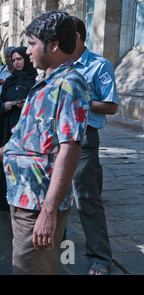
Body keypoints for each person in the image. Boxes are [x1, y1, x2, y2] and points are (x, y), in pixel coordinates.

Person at [0, 10, 92, 274]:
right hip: (23, 198)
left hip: (38, 204)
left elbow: (70, 150)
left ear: (53, 45)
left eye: (32, 44)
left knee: (31, 270)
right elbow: (22, 143)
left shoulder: (69, 85)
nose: (27, 51)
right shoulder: (45, 84)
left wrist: (49, 212)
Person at [71, 16, 118, 276]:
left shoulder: (99, 65)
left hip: (84, 138)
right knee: (54, 198)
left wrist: (78, 100)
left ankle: (100, 258)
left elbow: (111, 106)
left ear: (76, 36)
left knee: (87, 199)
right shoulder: (60, 65)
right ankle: (56, 250)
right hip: (56, 137)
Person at [0, 46, 38, 212]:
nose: (16, 63)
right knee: (9, 162)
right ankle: (6, 202)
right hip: (11, 126)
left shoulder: (36, 80)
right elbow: (0, 103)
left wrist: (26, 105)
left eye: (19, 59)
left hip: (29, 130)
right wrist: (5, 105)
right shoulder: (11, 80)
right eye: (14, 60)